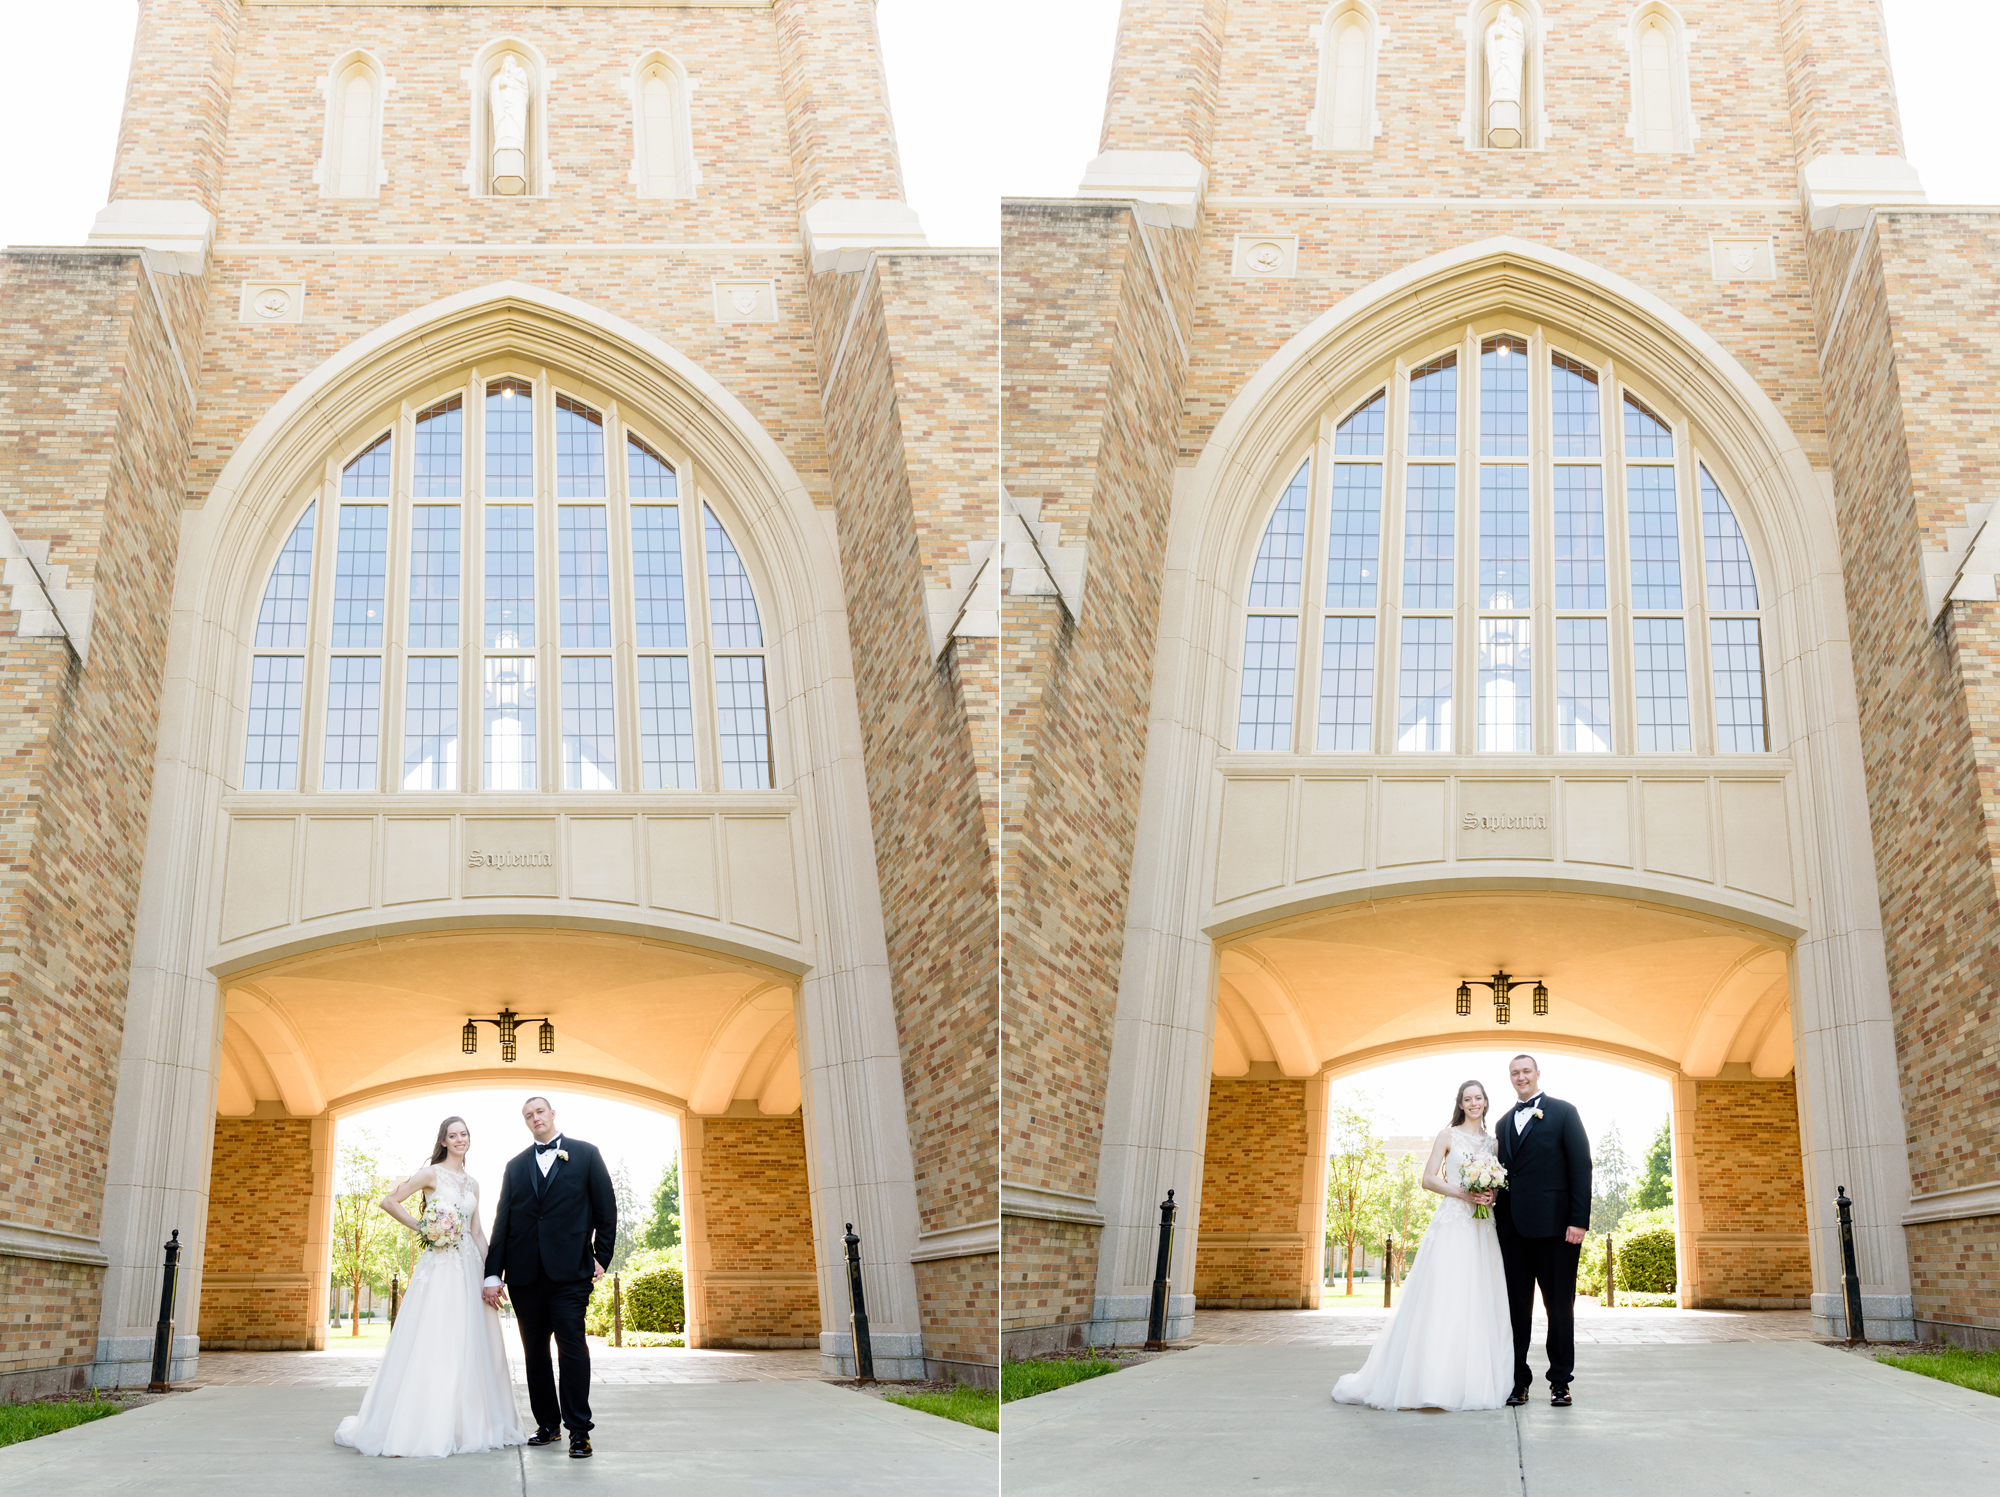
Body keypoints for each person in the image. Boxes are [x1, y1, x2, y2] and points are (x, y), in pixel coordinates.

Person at [333, 1117, 526, 1458]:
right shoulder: (431, 1174)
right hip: (439, 1268)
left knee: (472, 1338)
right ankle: (426, 1422)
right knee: (438, 1335)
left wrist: (493, 1275)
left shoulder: (474, 1184)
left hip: (469, 1266)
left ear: (469, 1139)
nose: (459, 1139)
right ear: (444, 1141)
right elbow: (390, 1201)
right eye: (453, 1135)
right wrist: (422, 1227)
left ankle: (469, 1423)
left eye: (464, 1134)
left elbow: (478, 1232)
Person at [1331, 1080, 1511, 1411]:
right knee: (1446, 1295)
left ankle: (1473, 1380)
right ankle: (1432, 1381)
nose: (1473, 1103)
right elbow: (1428, 1179)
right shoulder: (1447, 1135)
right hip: (1454, 1223)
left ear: (1486, 1102)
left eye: (1478, 1098)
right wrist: (1463, 1192)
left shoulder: (1493, 1142)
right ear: (1459, 1104)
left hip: (1482, 1226)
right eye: (1467, 1099)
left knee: (1478, 1296)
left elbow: (1497, 1184)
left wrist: (1490, 1195)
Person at [482, 1095, 618, 1459]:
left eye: (540, 1111)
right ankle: (547, 1426)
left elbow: (606, 1209)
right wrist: (493, 1272)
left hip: (570, 1273)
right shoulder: (515, 1166)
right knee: (535, 1354)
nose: (535, 1118)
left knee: (572, 1347)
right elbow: (503, 1221)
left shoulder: (586, 1154)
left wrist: (602, 1256)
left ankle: (579, 1431)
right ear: (525, 1122)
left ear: (552, 1114)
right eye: (528, 1115)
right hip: (525, 1276)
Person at [1495, 1053, 1592, 1407]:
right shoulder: (1503, 1123)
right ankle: (1519, 1381)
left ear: (1537, 1074)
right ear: (1510, 1078)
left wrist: (1579, 1220)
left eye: (1526, 1071)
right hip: (1513, 1233)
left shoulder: (1564, 1112)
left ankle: (1560, 1382)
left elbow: (1581, 1167)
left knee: (1559, 1309)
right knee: (1516, 1311)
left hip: (1558, 1231)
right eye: (1514, 1073)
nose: (1521, 1077)